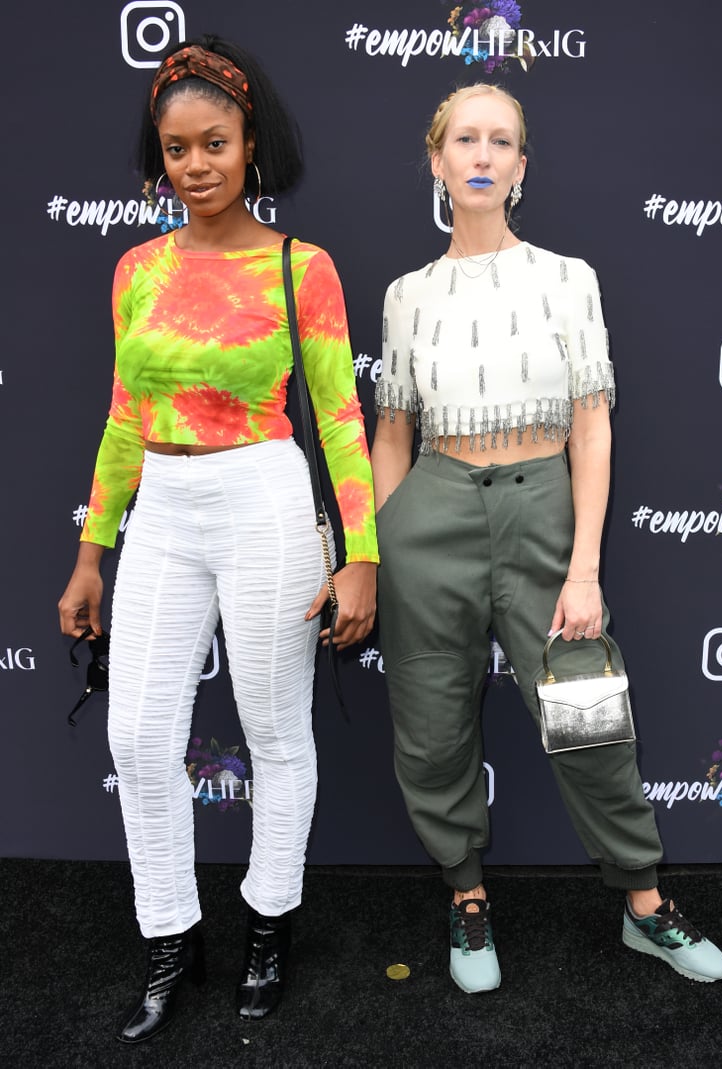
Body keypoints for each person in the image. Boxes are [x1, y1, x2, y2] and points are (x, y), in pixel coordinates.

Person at [370, 84, 722, 995]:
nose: (482, 153)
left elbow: (593, 429)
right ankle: (466, 897)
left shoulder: (570, 279)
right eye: (465, 138)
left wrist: (584, 566)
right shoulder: (405, 296)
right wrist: (390, 542)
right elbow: (392, 434)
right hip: (432, 512)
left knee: (591, 722)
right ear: (438, 160)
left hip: (545, 511)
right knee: (431, 729)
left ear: (522, 167)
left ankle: (645, 906)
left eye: (502, 140)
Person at [57, 35, 378, 1043]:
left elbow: (338, 419)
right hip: (162, 500)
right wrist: (90, 551)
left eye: (214, 144)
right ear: (158, 156)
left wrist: (359, 553)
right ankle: (170, 934)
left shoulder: (301, 268)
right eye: (176, 148)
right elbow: (120, 414)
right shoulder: (137, 270)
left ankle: (269, 923)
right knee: (134, 734)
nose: (194, 165)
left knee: (277, 732)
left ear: (251, 145)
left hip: (266, 500)